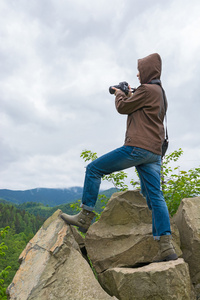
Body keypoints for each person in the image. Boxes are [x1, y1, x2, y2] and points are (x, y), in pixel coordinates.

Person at [61, 53, 178, 262]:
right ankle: (166, 248)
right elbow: (141, 109)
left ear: (147, 71)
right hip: (154, 153)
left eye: (140, 70)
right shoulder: (160, 93)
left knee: (94, 169)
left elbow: (123, 108)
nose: (137, 74)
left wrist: (118, 93)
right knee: (155, 196)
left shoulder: (147, 89)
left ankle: (85, 217)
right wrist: (131, 93)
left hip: (138, 148)